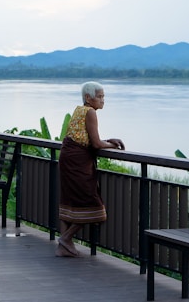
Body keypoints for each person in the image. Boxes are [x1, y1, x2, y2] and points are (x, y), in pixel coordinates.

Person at [56, 81, 125, 257]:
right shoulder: (90, 112)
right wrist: (112, 144)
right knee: (91, 202)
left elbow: (88, 139)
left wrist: (107, 141)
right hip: (77, 162)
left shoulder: (79, 109)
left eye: (103, 97)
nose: (103, 100)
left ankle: (63, 248)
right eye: (100, 96)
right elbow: (95, 143)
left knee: (69, 200)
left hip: (68, 158)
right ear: (88, 98)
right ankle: (65, 239)